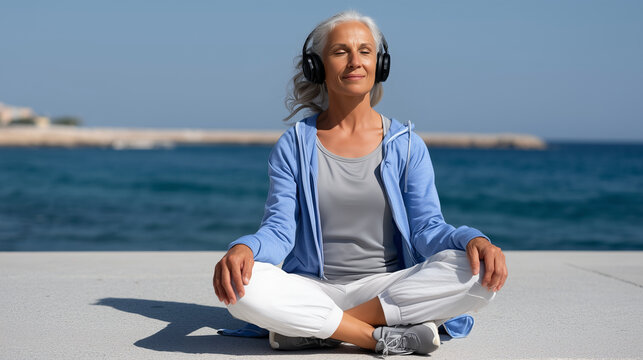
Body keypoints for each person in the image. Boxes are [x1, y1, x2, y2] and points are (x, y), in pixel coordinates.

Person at [213, 10, 507, 356]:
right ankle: (378, 337)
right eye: (340, 52)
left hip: (387, 287)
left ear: (380, 64)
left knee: (475, 274)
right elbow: (278, 230)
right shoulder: (293, 145)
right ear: (317, 66)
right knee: (242, 289)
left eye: (365, 51)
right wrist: (244, 248)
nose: (355, 61)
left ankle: (316, 329)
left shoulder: (406, 144)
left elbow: (428, 227)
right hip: (314, 287)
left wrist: (473, 239)